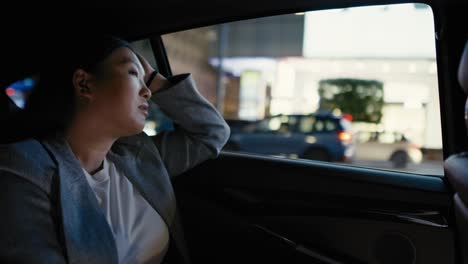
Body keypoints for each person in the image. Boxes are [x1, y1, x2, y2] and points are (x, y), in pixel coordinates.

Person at [0, 35, 230, 263]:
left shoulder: (141, 156)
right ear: (84, 84)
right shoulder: (22, 169)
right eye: (132, 73)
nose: (147, 91)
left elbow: (211, 134)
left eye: (145, 80)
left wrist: (153, 77)